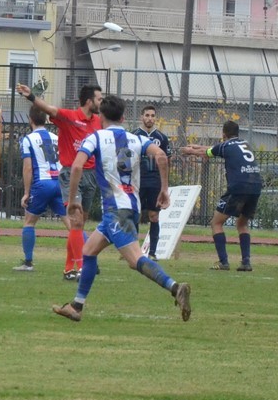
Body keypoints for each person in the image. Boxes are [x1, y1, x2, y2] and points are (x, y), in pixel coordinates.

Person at [51, 95, 191, 323]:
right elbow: (162, 156)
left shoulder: (96, 137)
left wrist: (73, 199)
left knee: (135, 260)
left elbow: (76, 166)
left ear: (101, 116)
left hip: (116, 209)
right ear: (124, 117)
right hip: (129, 208)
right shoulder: (136, 139)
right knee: (89, 251)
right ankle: (76, 306)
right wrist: (164, 189)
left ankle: (175, 287)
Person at [17, 82, 102, 281]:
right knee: (75, 221)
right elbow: (50, 109)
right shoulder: (69, 117)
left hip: (88, 176)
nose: (101, 102)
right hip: (69, 175)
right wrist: (31, 96)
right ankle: (84, 265)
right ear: (89, 101)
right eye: (99, 99)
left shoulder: (98, 121)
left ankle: (68, 268)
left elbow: (27, 167)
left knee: (78, 224)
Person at [180, 121, 262, 272]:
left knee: (216, 223)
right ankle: (246, 262)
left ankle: (223, 262)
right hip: (256, 186)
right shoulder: (245, 144)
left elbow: (207, 153)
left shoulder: (225, 145)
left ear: (223, 134)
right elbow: (213, 149)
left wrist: (190, 151)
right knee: (242, 224)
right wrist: (197, 147)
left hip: (239, 186)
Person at [13, 109, 72, 271]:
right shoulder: (56, 137)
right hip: (59, 182)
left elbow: (28, 168)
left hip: (42, 184)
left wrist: (27, 192)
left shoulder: (28, 139)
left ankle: (28, 263)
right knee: (72, 224)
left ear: (30, 119)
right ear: (45, 119)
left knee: (29, 222)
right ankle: (89, 259)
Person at [132, 105, 172, 259]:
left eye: (152, 116)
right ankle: (134, 251)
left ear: (155, 118)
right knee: (135, 214)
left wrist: (164, 184)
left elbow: (167, 161)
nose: (150, 118)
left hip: (155, 181)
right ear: (142, 117)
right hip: (137, 180)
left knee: (154, 216)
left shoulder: (162, 138)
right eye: (147, 115)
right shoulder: (134, 135)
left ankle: (153, 253)